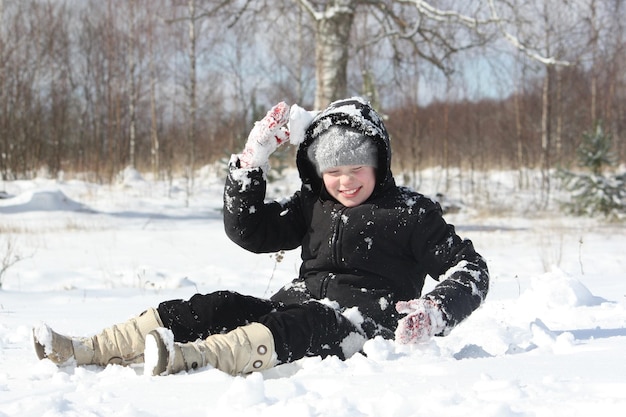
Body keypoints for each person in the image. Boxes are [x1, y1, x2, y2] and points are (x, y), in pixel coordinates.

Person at [33, 97, 489, 376]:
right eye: (333, 171)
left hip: (362, 326)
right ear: (318, 171)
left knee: (301, 324)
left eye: (356, 169)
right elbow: (249, 232)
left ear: (379, 165)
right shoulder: (314, 204)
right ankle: (88, 348)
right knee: (217, 305)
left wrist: (434, 311)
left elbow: (471, 269)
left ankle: (188, 359)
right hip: (296, 306)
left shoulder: (409, 211)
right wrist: (251, 163)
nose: (345, 181)